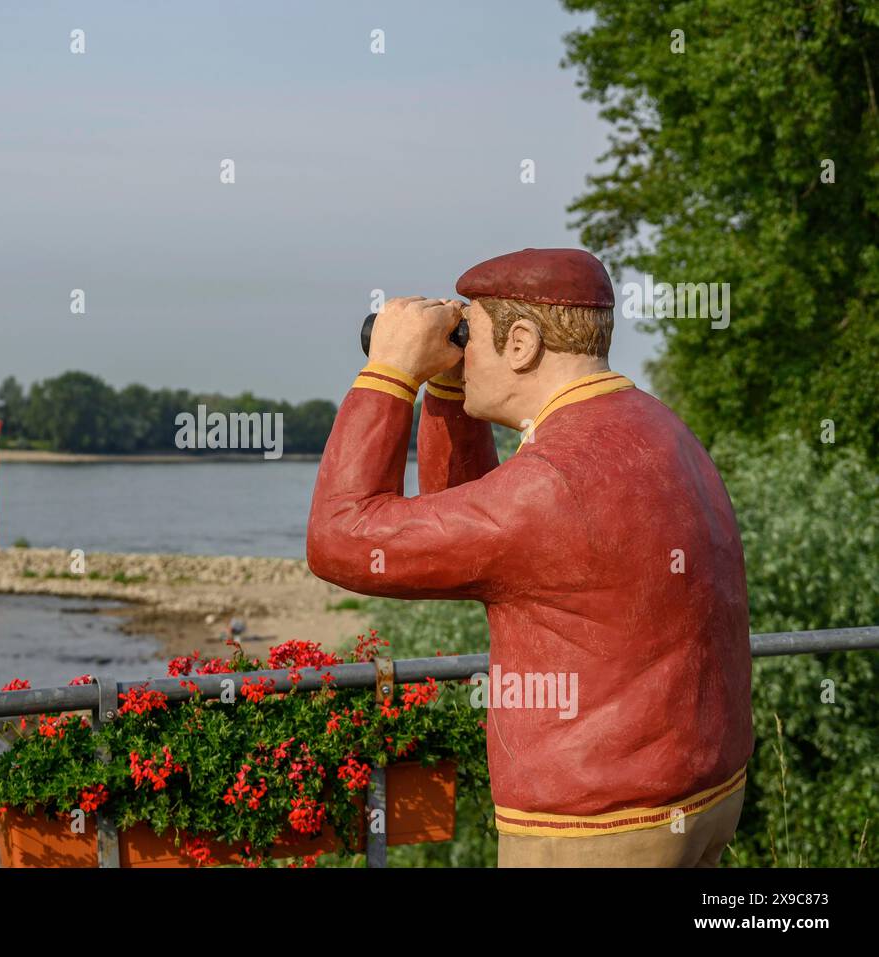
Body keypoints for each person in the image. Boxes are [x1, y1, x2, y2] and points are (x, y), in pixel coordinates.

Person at [306, 248, 753, 866]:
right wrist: (445, 387)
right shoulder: (658, 427)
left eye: (471, 337)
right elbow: (469, 542)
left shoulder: (551, 481)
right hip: (705, 791)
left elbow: (340, 539)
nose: (464, 352)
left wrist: (391, 373)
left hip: (598, 825)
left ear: (520, 345)